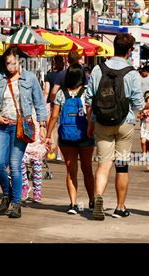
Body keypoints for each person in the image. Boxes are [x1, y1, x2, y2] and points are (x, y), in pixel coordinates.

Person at [86, 33, 145, 220]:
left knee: (103, 164)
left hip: (102, 121)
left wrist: (90, 122)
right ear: (129, 51)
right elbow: (138, 103)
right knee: (121, 166)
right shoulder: (132, 73)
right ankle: (120, 207)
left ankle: (98, 198)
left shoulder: (98, 69)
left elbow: (88, 99)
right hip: (125, 122)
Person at [0, 47, 47, 218]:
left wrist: (43, 126)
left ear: (21, 61)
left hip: (21, 127)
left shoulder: (29, 78)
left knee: (15, 164)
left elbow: (39, 103)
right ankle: (7, 194)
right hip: (1, 125)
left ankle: (15, 202)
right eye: (7, 63)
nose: (10, 66)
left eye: (13, 62)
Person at [46, 64, 95, 214]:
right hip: (85, 135)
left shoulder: (61, 94)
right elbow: (90, 115)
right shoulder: (87, 93)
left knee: (70, 170)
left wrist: (48, 135)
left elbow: (54, 116)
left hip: (66, 137)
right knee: (87, 169)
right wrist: (92, 130)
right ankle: (92, 201)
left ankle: (73, 204)